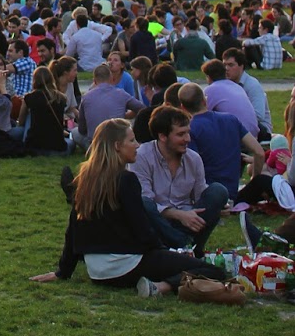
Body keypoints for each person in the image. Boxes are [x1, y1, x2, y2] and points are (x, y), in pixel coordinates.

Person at [30, 119, 230, 297]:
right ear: (117, 146)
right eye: (132, 141)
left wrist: (63, 272)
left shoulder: (85, 179)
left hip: (97, 272)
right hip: (128, 263)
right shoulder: (126, 180)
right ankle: (162, 287)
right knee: (212, 271)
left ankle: (165, 274)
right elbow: (142, 230)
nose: (137, 146)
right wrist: (165, 253)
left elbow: (73, 229)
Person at [131, 106, 229, 252]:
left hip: (188, 222)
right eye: (181, 134)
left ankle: (184, 247)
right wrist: (178, 215)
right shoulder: (142, 157)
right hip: (158, 222)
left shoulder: (193, 159)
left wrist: (217, 207)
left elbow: (200, 196)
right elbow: (146, 202)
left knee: (218, 191)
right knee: (144, 204)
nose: (187, 139)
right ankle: (185, 245)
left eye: (188, 133)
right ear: (163, 136)